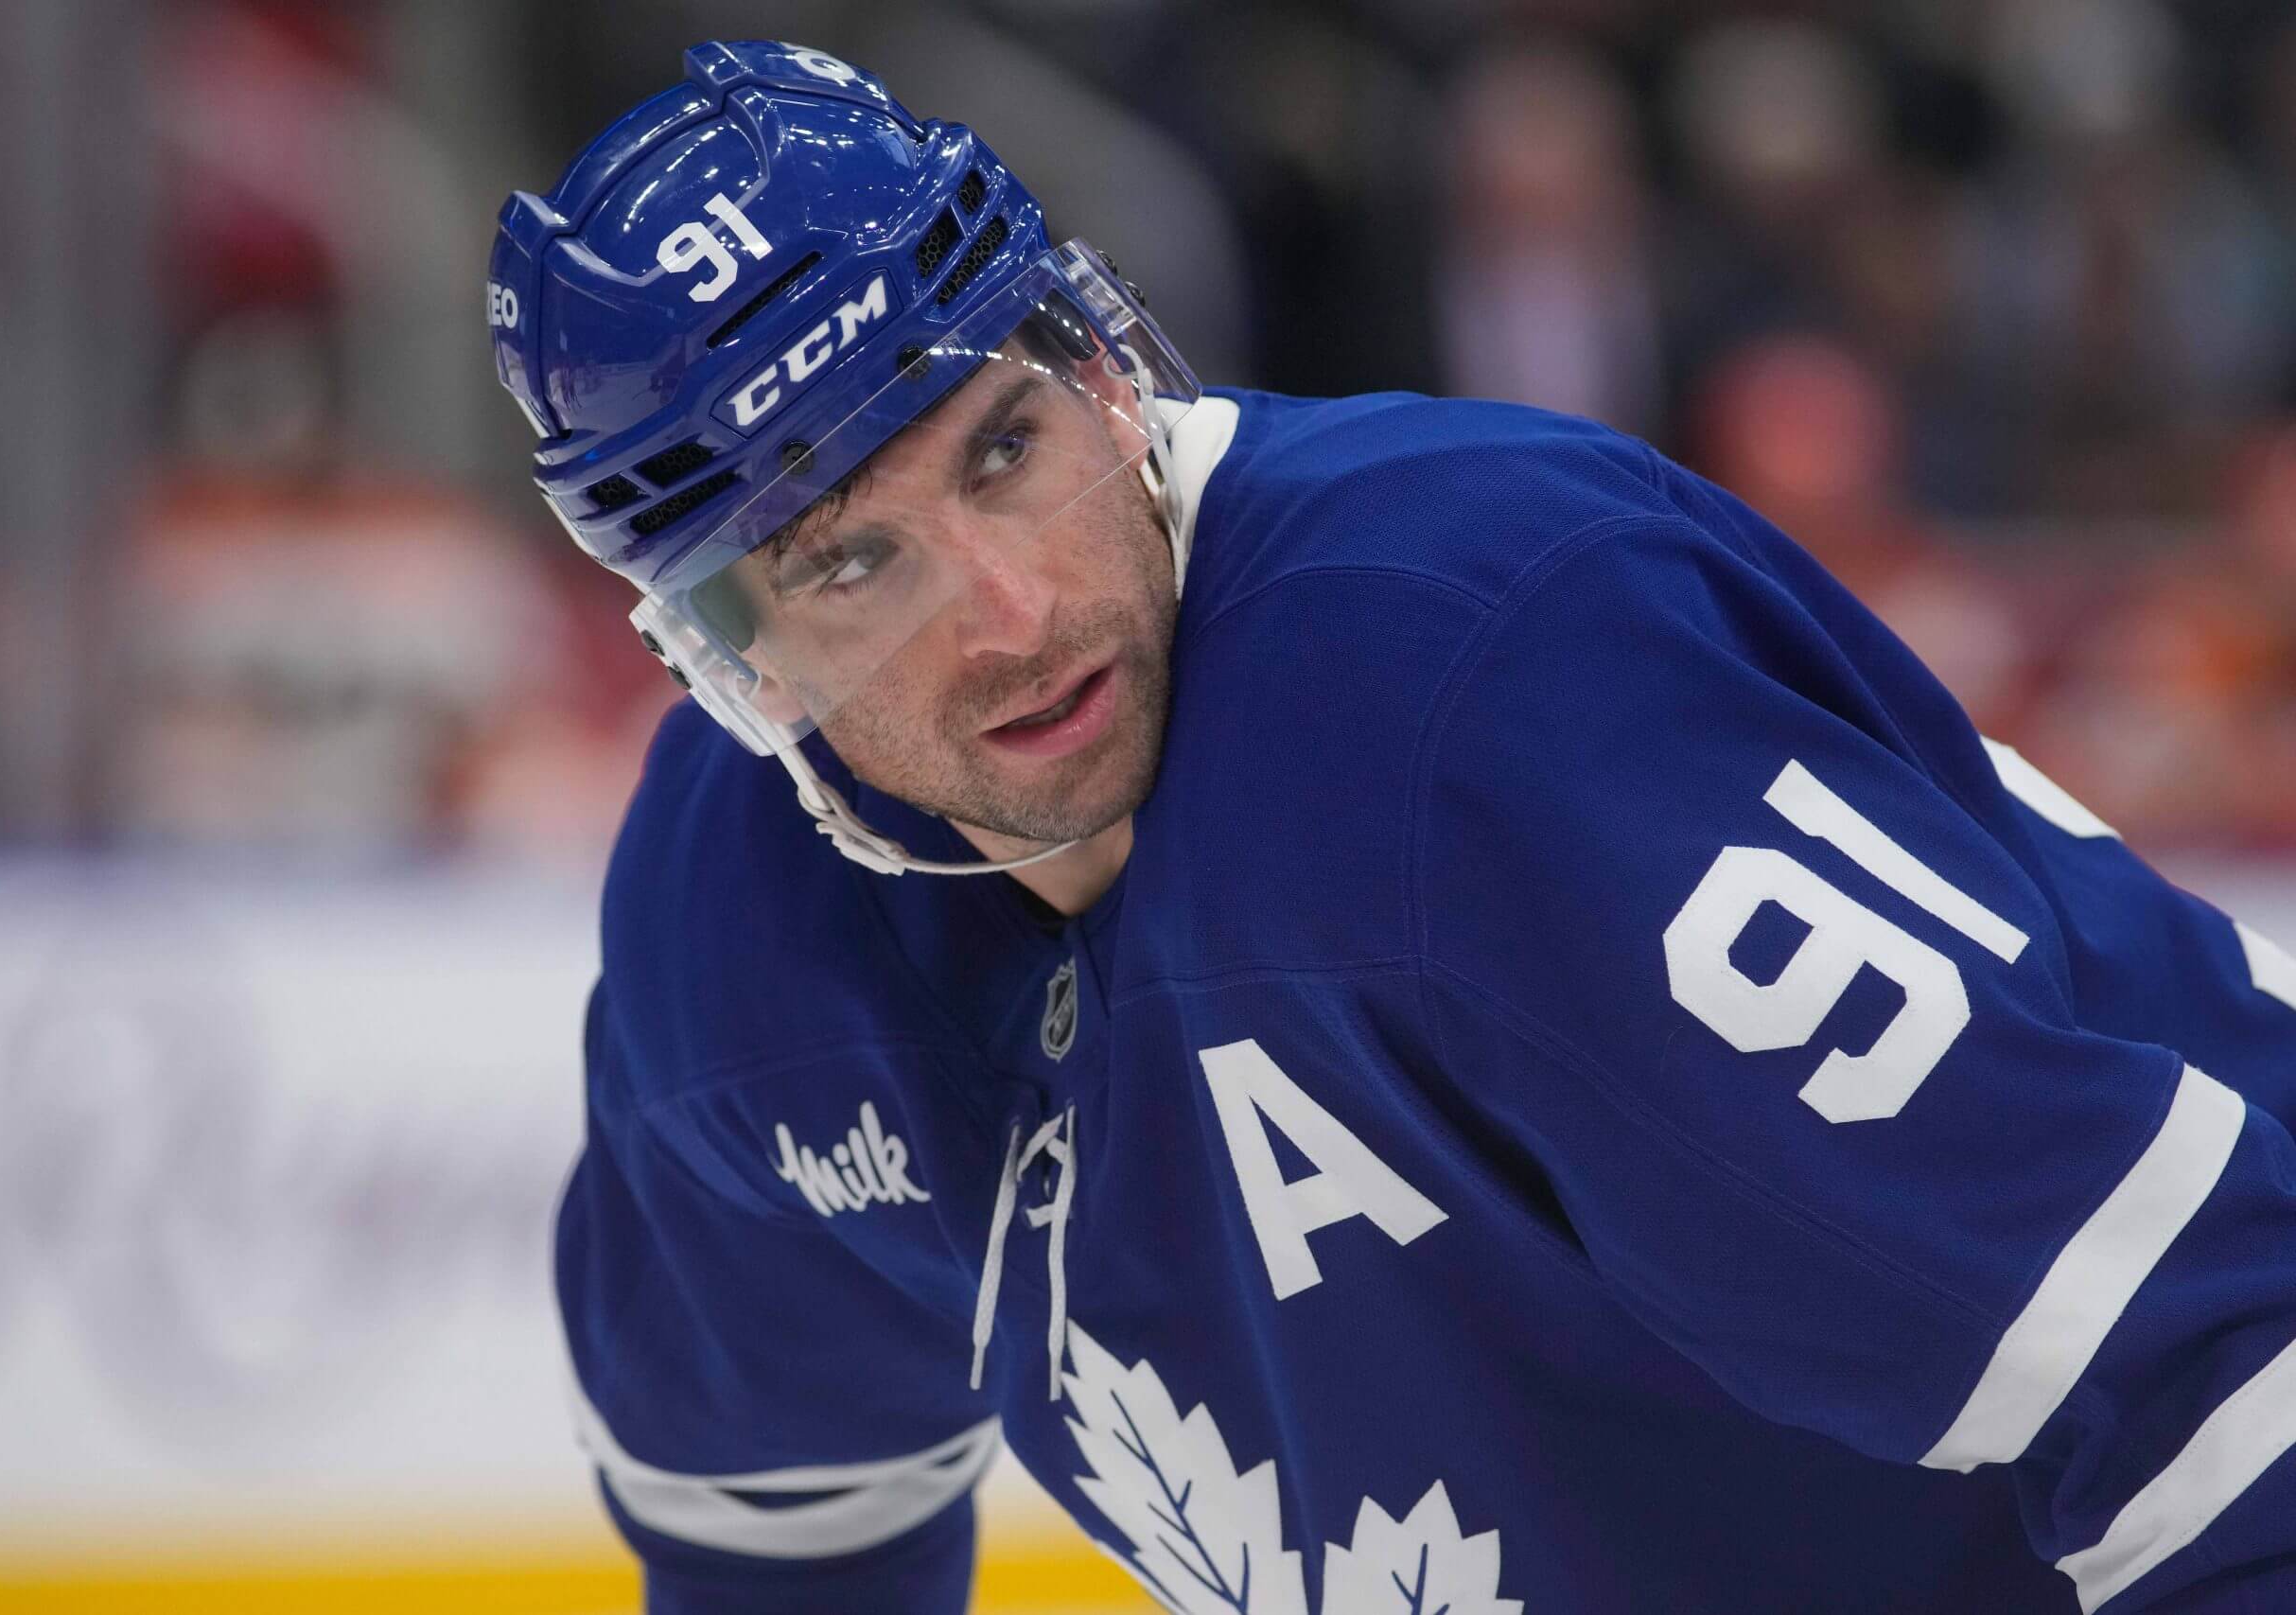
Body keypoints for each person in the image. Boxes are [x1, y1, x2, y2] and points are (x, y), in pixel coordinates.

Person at [487, 41, 2296, 1613]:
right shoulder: (734, 958)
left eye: (1002, 451)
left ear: (1109, 370)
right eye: (854, 562)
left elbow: (2229, 1377)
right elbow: (773, 1537)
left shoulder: (1479, 686)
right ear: (733, 664)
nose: (1014, 614)